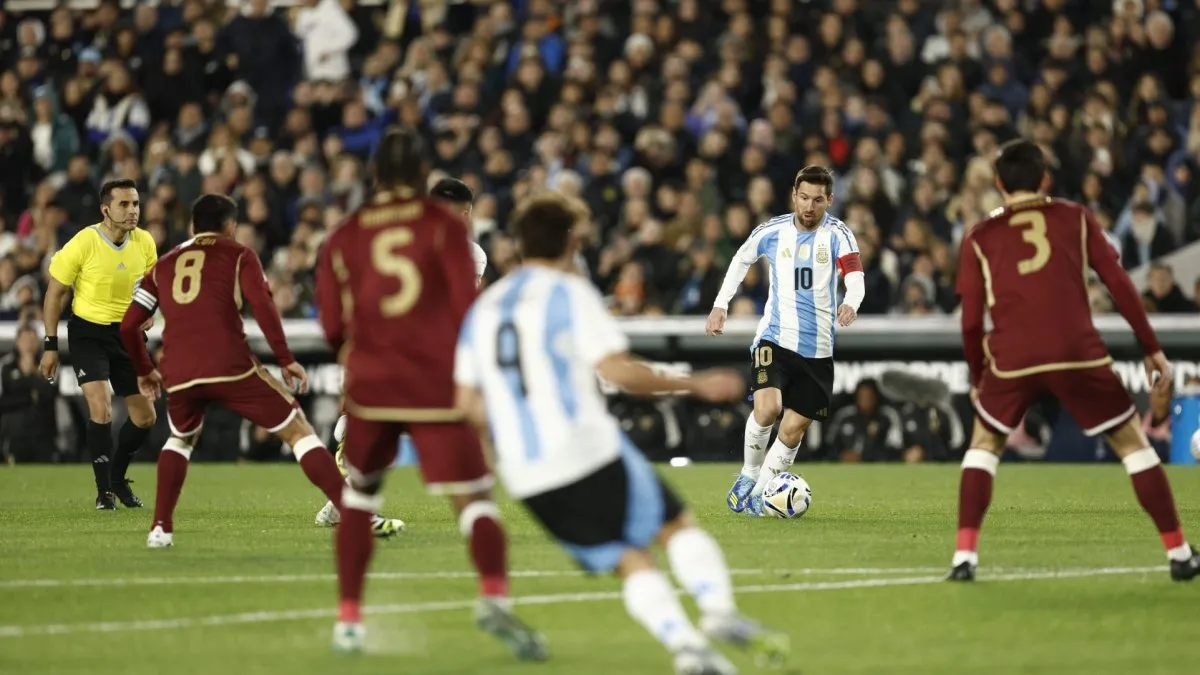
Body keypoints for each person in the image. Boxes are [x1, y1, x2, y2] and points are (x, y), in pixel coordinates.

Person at [454, 192, 789, 675]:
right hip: (585, 448)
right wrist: (694, 384)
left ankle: (687, 648)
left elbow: (467, 404)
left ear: (520, 243)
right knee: (674, 527)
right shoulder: (569, 293)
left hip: (528, 475)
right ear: (570, 242)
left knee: (628, 560)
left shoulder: (484, 309)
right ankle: (717, 611)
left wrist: (495, 452)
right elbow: (619, 372)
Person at [314, 127, 543, 657]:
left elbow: (330, 324)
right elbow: (466, 311)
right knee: (475, 499)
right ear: (421, 174)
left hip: (371, 383)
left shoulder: (346, 232)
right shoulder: (444, 229)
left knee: (358, 498)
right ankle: (495, 596)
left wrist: (358, 353)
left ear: (375, 174)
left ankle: (348, 620)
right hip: (433, 381)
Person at [951, 139, 1199, 582]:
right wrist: (1150, 346)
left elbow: (970, 322)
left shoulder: (980, 237)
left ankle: (964, 558)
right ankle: (1179, 553)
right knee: (1133, 446)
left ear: (999, 183)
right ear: (1045, 179)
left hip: (1013, 357)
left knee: (984, 446)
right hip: (1076, 350)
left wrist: (978, 376)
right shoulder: (1076, 218)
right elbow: (1119, 283)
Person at [118, 194, 347, 549]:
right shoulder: (240, 254)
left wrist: (144, 369)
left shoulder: (163, 264)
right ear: (229, 225)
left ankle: (160, 529)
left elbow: (128, 325)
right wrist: (285, 358)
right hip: (230, 365)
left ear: (193, 225)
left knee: (180, 439)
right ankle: (353, 510)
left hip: (180, 370)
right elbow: (263, 306)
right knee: (297, 429)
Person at [312, 175, 483, 534]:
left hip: (391, 346)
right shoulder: (468, 252)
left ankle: (343, 502)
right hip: (418, 351)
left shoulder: (387, 235)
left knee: (384, 429)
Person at [705, 165, 865, 516]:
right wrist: (720, 305)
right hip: (774, 338)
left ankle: (760, 495)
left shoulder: (839, 234)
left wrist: (851, 302)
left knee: (793, 429)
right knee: (767, 409)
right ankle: (748, 475)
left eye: (817, 200)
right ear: (794, 195)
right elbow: (741, 259)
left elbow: (855, 276)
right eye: (804, 198)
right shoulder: (772, 230)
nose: (809, 206)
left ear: (829, 200)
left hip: (818, 349)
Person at [41, 179, 159, 510]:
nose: (133, 210)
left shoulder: (145, 242)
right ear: (105, 210)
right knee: (100, 405)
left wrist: (150, 311)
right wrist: (50, 345)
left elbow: (152, 286)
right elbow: (54, 293)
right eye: (124, 204)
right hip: (88, 333)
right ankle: (104, 491)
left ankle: (117, 479)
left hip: (128, 335)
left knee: (145, 417)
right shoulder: (84, 242)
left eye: (136, 203)